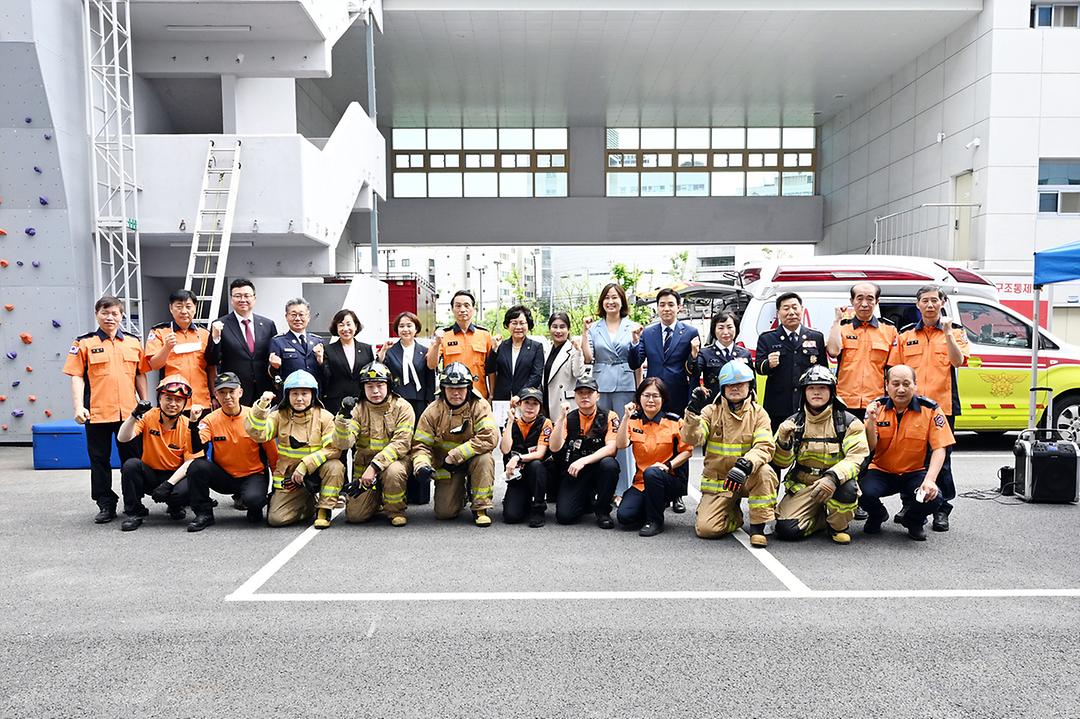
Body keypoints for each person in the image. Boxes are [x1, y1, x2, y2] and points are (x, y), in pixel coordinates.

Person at [886, 284, 969, 532]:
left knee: (941, 462)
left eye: (934, 300)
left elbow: (958, 361)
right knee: (910, 459)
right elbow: (893, 370)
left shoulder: (955, 332)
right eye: (925, 301)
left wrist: (948, 335)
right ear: (917, 304)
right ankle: (910, 504)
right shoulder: (905, 335)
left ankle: (942, 510)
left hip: (942, 406)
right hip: (910, 406)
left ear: (942, 303)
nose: (930, 305)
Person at [63, 295, 148, 523]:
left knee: (132, 460)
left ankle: (134, 503)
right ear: (97, 314)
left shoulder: (133, 342)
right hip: (97, 412)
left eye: (114, 313)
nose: (110, 317)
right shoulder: (84, 343)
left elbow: (140, 373)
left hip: (129, 414)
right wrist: (79, 406)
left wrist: (145, 403)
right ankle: (106, 504)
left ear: (121, 315)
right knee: (99, 460)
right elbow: (76, 376)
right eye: (105, 313)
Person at [682, 362, 777, 547]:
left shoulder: (759, 414)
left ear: (750, 386)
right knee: (706, 530)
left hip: (747, 476)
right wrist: (692, 413)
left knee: (765, 472)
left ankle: (758, 527)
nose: (735, 389)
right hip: (720, 482)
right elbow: (693, 438)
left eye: (740, 384)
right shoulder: (710, 411)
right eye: (730, 385)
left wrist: (745, 465)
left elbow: (764, 445)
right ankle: (733, 516)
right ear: (722, 388)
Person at [772, 366, 869, 545]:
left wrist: (832, 479)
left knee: (848, 490)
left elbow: (857, 458)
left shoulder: (848, 423)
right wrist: (784, 442)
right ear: (804, 392)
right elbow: (781, 463)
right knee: (786, 530)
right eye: (811, 388)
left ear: (832, 392)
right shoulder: (792, 423)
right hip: (804, 486)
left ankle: (837, 526)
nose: (816, 392)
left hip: (835, 485)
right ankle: (820, 520)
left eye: (822, 388)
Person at [859, 365, 955, 542]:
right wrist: (871, 422)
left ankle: (913, 521)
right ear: (886, 385)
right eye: (895, 384)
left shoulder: (931, 410)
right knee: (857, 491)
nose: (901, 389)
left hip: (914, 472)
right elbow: (870, 447)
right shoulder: (876, 408)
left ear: (915, 385)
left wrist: (930, 480)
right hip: (881, 470)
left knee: (933, 497)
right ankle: (877, 514)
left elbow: (940, 448)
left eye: (906, 383)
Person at [244, 370, 345, 529]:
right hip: (291, 480)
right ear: (287, 395)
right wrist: (262, 405)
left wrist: (305, 465)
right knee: (276, 520)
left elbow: (333, 449)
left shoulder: (324, 417)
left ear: (313, 395)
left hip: (315, 475)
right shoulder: (278, 416)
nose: (299, 398)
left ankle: (324, 510)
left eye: (304, 393)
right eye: (294, 393)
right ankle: (308, 504)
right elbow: (258, 434)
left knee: (335, 466)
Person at [184, 371, 274, 531]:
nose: (227, 397)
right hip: (224, 476)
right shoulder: (210, 420)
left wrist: (277, 488)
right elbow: (194, 448)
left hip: (253, 475)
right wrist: (192, 423)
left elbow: (272, 454)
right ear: (216, 395)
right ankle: (204, 513)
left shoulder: (255, 417)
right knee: (196, 466)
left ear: (240, 392)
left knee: (254, 501)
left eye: (231, 392)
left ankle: (254, 507)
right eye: (222, 393)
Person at [412, 362, 499, 526]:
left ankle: (480, 508)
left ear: (469, 388)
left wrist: (456, 455)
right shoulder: (433, 411)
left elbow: (490, 437)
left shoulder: (480, 406)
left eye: (461, 388)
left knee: (485, 459)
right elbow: (420, 445)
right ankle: (461, 494)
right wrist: (421, 465)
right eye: (451, 388)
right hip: (448, 468)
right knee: (445, 513)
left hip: (472, 459)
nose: (456, 393)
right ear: (443, 389)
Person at [331, 362, 415, 526]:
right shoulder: (355, 409)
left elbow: (401, 443)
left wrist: (375, 466)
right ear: (363, 388)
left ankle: (395, 510)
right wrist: (342, 419)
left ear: (388, 385)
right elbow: (344, 444)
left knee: (393, 472)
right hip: (364, 467)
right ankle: (376, 501)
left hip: (394, 462)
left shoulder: (403, 407)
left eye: (380, 385)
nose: (375, 391)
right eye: (369, 386)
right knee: (355, 516)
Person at [581, 283, 640, 500]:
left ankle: (623, 488)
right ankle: (599, 487)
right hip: (601, 383)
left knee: (623, 435)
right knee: (599, 435)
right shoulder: (595, 327)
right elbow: (588, 357)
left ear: (622, 301)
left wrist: (638, 390)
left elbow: (637, 362)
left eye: (615, 297)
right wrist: (584, 332)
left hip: (626, 383)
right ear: (602, 302)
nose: (611, 302)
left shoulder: (632, 326)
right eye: (607, 298)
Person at [116, 375, 197, 531]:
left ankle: (175, 506)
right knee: (131, 465)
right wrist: (134, 415)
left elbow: (189, 463)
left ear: (184, 403)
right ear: (160, 398)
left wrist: (168, 485)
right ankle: (134, 512)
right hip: (150, 473)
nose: (173, 404)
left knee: (185, 488)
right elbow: (123, 438)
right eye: (168, 398)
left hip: (175, 476)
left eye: (178, 400)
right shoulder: (148, 416)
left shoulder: (188, 426)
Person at [615, 378, 693, 537]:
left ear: (663, 399)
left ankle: (655, 521)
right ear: (639, 398)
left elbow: (687, 451)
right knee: (624, 517)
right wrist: (625, 417)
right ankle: (653, 504)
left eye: (655, 396)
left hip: (668, 480)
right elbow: (621, 444)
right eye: (646, 395)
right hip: (641, 482)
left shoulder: (674, 421)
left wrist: (669, 465)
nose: (650, 400)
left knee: (652, 473)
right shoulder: (633, 420)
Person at [548, 377, 621, 528]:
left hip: (597, 468)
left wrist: (584, 460)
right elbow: (554, 447)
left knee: (610, 464)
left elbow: (612, 448)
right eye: (580, 393)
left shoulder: (610, 416)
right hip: (575, 472)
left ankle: (603, 511)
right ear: (575, 396)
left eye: (589, 392)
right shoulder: (569, 417)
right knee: (564, 516)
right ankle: (587, 500)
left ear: (598, 395)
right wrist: (561, 418)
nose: (585, 396)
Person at [755, 292, 828, 431]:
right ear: (778, 313)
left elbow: (823, 371)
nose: (791, 312)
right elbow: (759, 368)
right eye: (786, 308)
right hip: (779, 406)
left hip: (808, 404)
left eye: (795, 307)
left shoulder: (816, 337)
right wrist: (768, 364)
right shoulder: (767, 338)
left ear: (802, 309)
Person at [826, 282, 898, 421]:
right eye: (859, 298)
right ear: (852, 301)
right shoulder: (842, 327)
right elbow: (833, 351)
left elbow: (893, 369)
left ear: (877, 301)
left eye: (870, 299)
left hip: (876, 402)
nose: (864, 304)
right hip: (845, 401)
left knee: (873, 442)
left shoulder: (890, 330)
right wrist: (837, 320)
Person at [206, 278, 278, 407]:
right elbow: (212, 359)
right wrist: (216, 338)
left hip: (264, 388)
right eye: (237, 296)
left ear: (254, 298)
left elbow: (273, 354)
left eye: (247, 295)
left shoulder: (268, 324)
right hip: (235, 390)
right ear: (231, 299)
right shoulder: (220, 325)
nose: (242, 299)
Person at [628, 288, 699, 415]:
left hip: (679, 394)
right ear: (657, 308)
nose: (666, 308)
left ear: (679, 307)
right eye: (662, 305)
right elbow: (635, 363)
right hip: (653, 396)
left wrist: (692, 399)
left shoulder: (690, 332)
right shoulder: (648, 333)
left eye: (671, 304)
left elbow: (694, 369)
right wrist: (634, 342)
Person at [143, 289, 212, 408]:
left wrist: (214, 396)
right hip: (172, 401)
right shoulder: (159, 332)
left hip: (201, 401)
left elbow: (211, 367)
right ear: (171, 308)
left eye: (188, 306)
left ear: (195, 308)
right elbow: (153, 365)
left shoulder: (204, 333)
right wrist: (167, 347)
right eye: (179, 307)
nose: (184, 311)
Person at [426, 290, 497, 399]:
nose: (462, 310)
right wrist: (436, 344)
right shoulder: (443, 335)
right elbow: (431, 365)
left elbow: (491, 370)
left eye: (466, 305)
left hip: (479, 396)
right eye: (458, 306)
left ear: (473, 309)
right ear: (452, 310)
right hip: (453, 397)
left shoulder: (485, 335)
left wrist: (491, 395)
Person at [499, 388, 553, 527]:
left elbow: (540, 453)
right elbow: (505, 449)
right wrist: (510, 422)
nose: (530, 407)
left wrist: (517, 458)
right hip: (518, 475)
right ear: (519, 405)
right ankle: (523, 500)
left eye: (535, 403)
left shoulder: (545, 423)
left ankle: (538, 507)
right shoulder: (512, 422)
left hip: (537, 474)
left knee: (536, 465)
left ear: (540, 407)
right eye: (526, 402)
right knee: (511, 516)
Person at [488, 305, 545, 429]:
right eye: (514, 323)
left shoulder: (536, 347)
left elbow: (536, 375)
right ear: (508, 325)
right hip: (502, 400)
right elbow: (490, 369)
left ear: (528, 325)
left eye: (522, 323)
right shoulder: (501, 346)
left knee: (524, 434)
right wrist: (493, 350)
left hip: (525, 401)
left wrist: (520, 395)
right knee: (504, 435)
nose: (518, 327)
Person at [380, 311, 436, 422]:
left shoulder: (424, 351)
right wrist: (383, 350)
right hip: (396, 400)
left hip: (419, 400)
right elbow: (381, 370)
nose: (405, 329)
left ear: (416, 329)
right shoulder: (390, 351)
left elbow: (429, 376)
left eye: (409, 326)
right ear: (397, 329)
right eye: (401, 326)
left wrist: (430, 400)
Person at [321, 308, 375, 415]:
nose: (345, 328)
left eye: (349, 324)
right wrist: (320, 361)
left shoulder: (367, 349)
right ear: (336, 328)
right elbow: (325, 377)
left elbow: (371, 375)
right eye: (341, 325)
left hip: (361, 402)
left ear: (355, 326)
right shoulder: (328, 350)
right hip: (336, 403)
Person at [688, 312, 753, 399]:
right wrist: (694, 355)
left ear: (736, 328)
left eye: (729, 327)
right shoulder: (704, 353)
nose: (725, 332)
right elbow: (694, 373)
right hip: (714, 405)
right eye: (721, 328)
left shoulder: (745, 353)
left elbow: (752, 383)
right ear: (714, 330)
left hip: (740, 405)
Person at [268, 298, 326, 384]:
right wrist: (274, 366)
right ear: (286, 317)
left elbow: (327, 373)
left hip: (314, 393)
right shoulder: (278, 342)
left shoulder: (318, 341)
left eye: (301, 314)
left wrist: (321, 361)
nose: (298, 319)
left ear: (308, 317)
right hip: (291, 393)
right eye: (293, 315)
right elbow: (273, 375)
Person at [541, 311, 586, 419]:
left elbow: (578, 373)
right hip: (547, 400)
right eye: (554, 327)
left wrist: (579, 351)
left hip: (564, 402)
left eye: (562, 327)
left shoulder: (573, 349)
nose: (558, 331)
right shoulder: (546, 349)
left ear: (568, 329)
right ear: (549, 329)